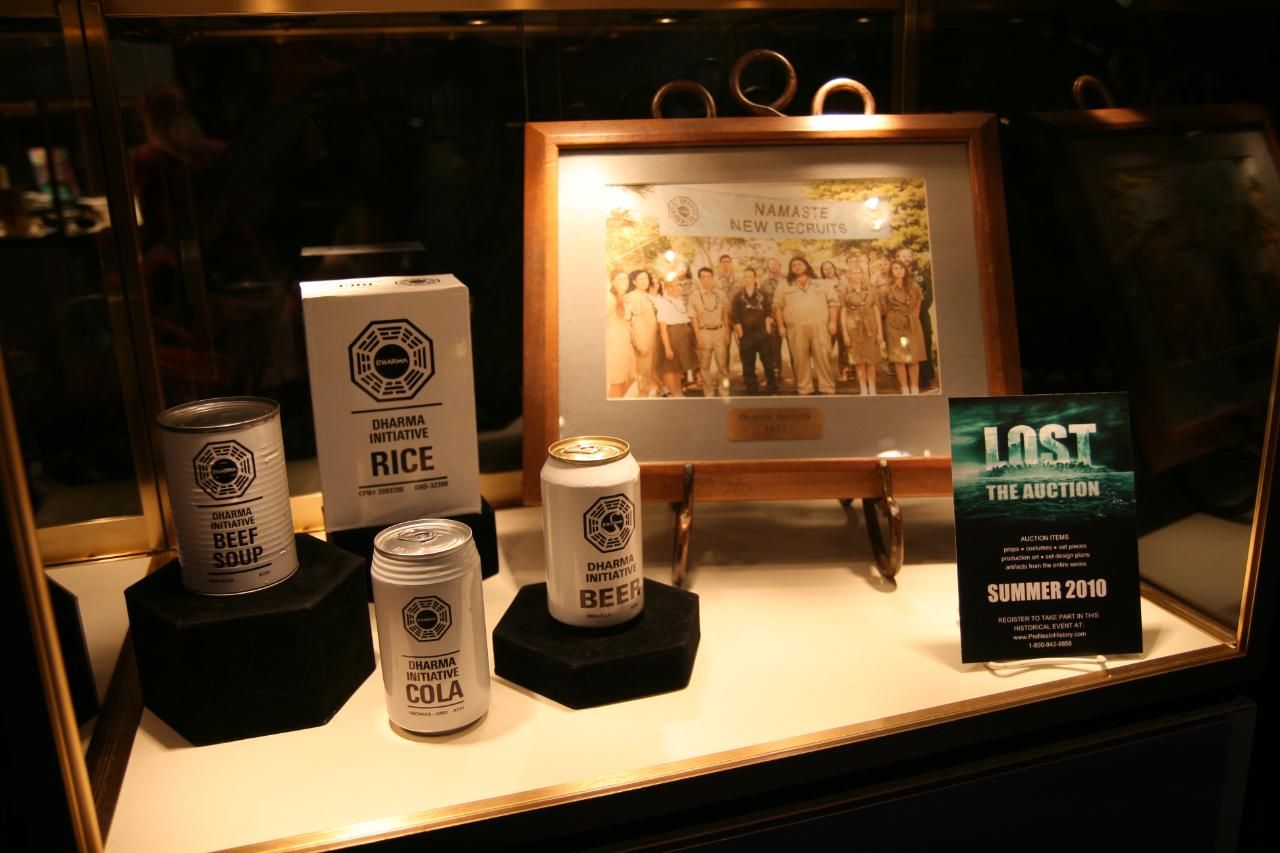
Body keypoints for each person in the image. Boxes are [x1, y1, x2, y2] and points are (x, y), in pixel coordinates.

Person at [773, 256, 838, 395]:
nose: (797, 267)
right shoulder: (784, 285)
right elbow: (778, 306)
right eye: (794, 265)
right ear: (790, 269)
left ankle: (827, 387)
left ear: (806, 266)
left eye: (800, 264)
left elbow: (833, 303)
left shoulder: (822, 283)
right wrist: (781, 326)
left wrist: (832, 322)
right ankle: (804, 388)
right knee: (800, 359)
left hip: (820, 328)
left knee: (823, 357)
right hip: (796, 329)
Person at [840, 255, 884, 396]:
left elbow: (876, 310)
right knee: (859, 360)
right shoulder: (844, 290)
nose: (856, 275)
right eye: (853, 273)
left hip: (870, 327)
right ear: (849, 275)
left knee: (871, 360)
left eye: (858, 272)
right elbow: (843, 311)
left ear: (862, 274)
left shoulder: (871, 289)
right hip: (853, 327)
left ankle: (872, 389)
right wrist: (845, 333)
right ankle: (863, 389)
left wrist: (880, 332)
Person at [731, 268, 778, 395]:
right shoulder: (738, 297)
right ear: (743, 279)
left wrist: (767, 328)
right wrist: (739, 329)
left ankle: (771, 385)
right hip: (746, 335)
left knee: (768, 361)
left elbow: (768, 311)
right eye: (745, 277)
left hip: (762, 333)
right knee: (748, 363)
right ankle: (751, 387)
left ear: (755, 278)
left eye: (750, 276)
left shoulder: (763, 295)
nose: (748, 279)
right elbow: (735, 315)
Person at [882, 259, 926, 395]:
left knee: (913, 356)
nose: (898, 271)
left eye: (901, 268)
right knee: (899, 358)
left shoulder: (913, 285)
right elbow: (884, 307)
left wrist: (914, 315)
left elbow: (918, 302)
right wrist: (894, 317)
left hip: (911, 322)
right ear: (891, 271)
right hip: (894, 324)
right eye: (895, 268)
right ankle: (904, 388)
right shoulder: (886, 288)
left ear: (905, 270)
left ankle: (914, 388)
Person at [897, 246, 936, 389]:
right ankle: (908, 379)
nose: (906, 259)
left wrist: (917, 311)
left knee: (924, 344)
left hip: (920, 316)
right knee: (905, 346)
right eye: (903, 256)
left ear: (912, 257)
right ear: (898, 258)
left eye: (908, 256)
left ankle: (926, 378)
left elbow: (929, 295)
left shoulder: (922, 275)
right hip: (902, 317)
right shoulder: (895, 275)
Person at [689, 266, 731, 397]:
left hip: (719, 332)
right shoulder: (694, 296)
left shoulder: (721, 294)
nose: (706, 280)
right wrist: (698, 336)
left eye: (709, 277)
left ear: (713, 278)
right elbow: (693, 318)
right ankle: (709, 393)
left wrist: (727, 332)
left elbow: (725, 315)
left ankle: (724, 392)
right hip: (704, 332)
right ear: (699, 279)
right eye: (703, 277)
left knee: (722, 365)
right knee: (704, 365)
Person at [653, 276, 698, 398]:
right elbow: (663, 328)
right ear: (667, 288)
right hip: (671, 336)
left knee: (679, 367)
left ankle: (678, 392)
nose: (676, 288)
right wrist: (667, 348)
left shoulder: (679, 301)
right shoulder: (663, 303)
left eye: (678, 285)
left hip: (682, 337)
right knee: (670, 368)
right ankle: (673, 394)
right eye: (672, 286)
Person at [625, 269, 660, 398]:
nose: (645, 281)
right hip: (643, 339)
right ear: (634, 282)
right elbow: (636, 321)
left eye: (646, 278)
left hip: (652, 338)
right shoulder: (633, 297)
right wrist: (641, 344)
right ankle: (642, 398)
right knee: (643, 373)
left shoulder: (645, 295)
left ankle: (651, 395)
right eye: (641, 279)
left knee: (650, 371)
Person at [606, 269, 636, 398]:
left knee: (630, 377)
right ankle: (612, 404)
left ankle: (615, 401)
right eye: (619, 279)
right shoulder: (609, 299)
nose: (623, 281)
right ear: (613, 282)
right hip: (614, 341)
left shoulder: (624, 298)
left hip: (625, 340)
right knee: (618, 381)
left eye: (625, 278)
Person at [760, 257, 787, 386]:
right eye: (771, 264)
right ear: (768, 267)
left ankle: (799, 374)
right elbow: (763, 301)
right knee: (773, 347)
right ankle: (776, 373)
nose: (774, 266)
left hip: (788, 315)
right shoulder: (764, 282)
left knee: (795, 348)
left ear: (780, 266)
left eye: (776, 264)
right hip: (773, 317)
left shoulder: (787, 279)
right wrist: (767, 317)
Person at [820, 260, 848, 380]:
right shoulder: (820, 284)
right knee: (826, 347)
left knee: (844, 347)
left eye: (830, 268)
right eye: (825, 269)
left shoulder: (843, 282)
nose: (828, 270)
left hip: (842, 317)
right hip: (827, 318)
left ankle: (844, 371)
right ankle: (825, 374)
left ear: (834, 268)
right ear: (822, 272)